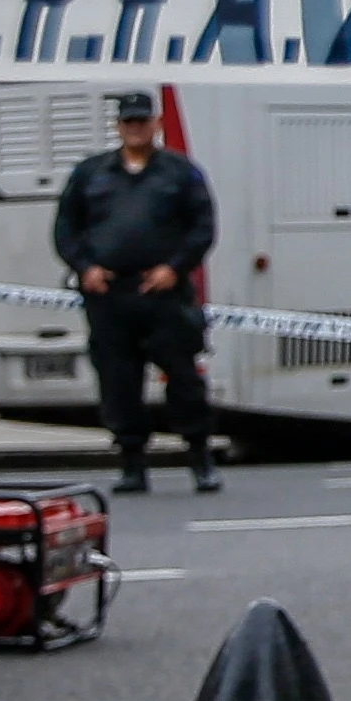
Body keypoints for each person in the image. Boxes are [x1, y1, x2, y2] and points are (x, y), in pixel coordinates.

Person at [51, 91, 220, 496]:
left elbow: (201, 226)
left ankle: (200, 458)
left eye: (143, 121)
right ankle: (132, 464)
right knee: (118, 381)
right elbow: (66, 228)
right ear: (118, 127)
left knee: (183, 378)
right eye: (129, 122)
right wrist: (84, 267)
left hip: (163, 295)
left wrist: (174, 267)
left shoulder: (180, 173)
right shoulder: (91, 173)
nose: (136, 128)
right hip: (110, 295)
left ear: (156, 124)